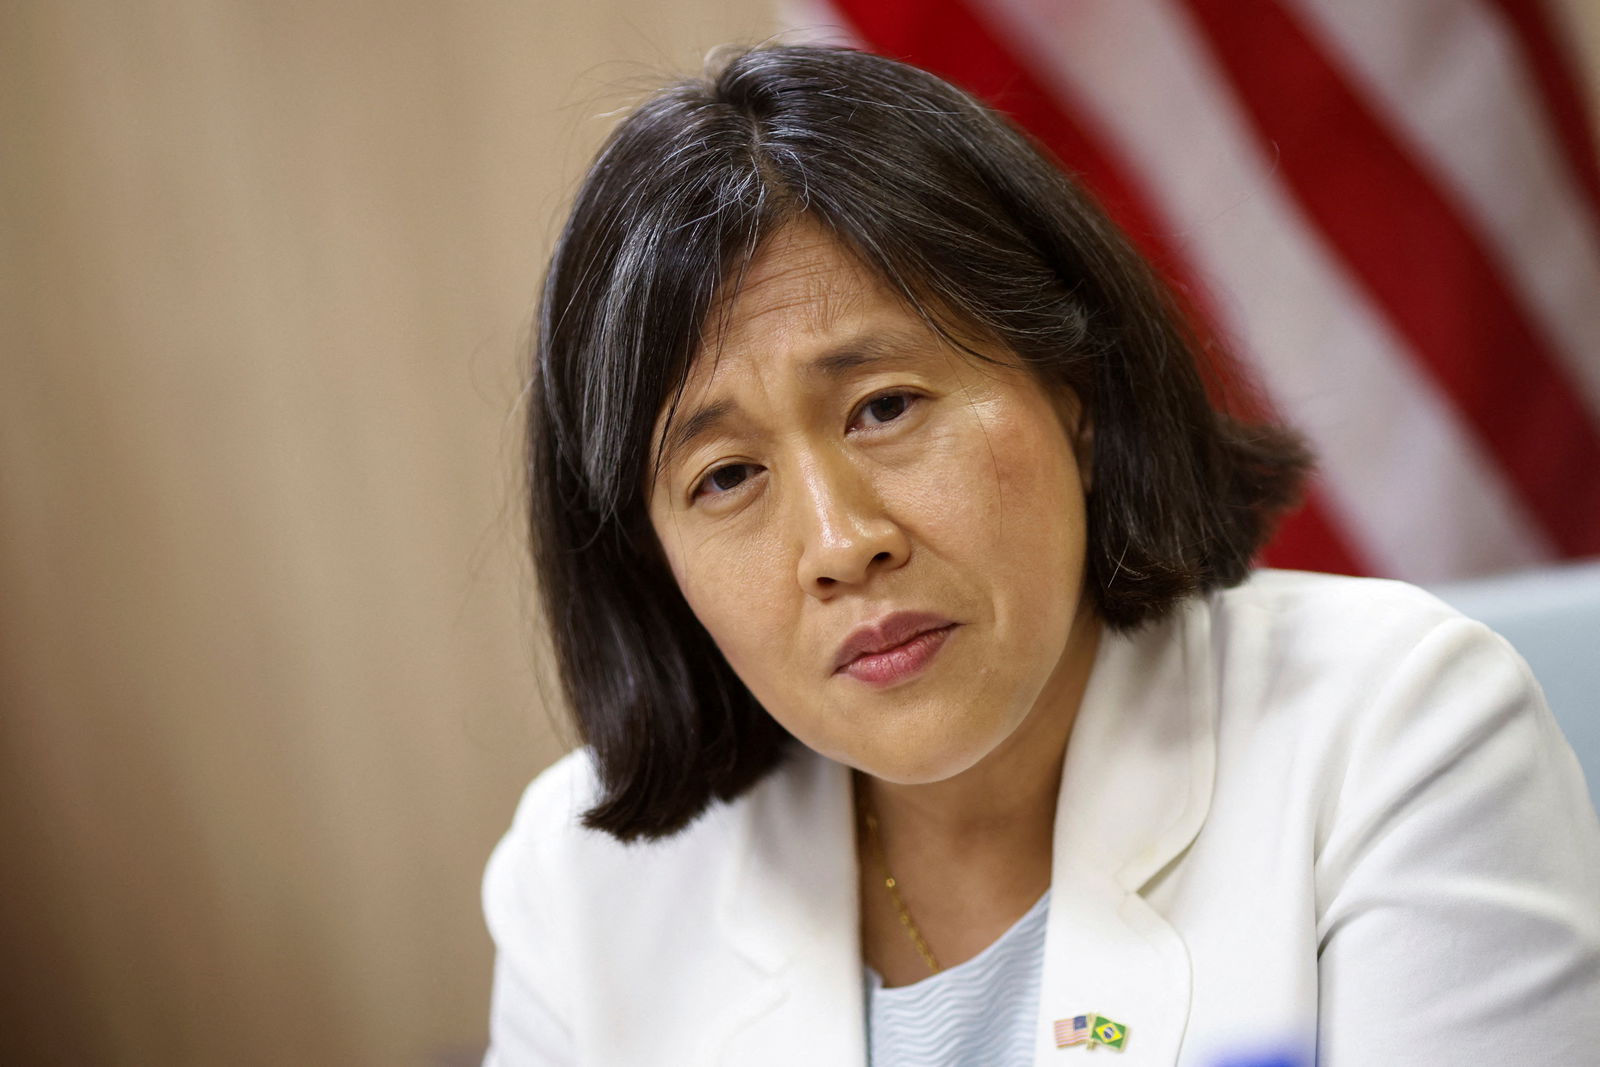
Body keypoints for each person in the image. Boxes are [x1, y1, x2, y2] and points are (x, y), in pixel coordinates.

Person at [481, 44, 1600, 1066]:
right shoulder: (577, 885)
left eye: (884, 407)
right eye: (725, 476)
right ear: (652, 556)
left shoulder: (1400, 732)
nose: (841, 543)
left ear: (1076, 392)